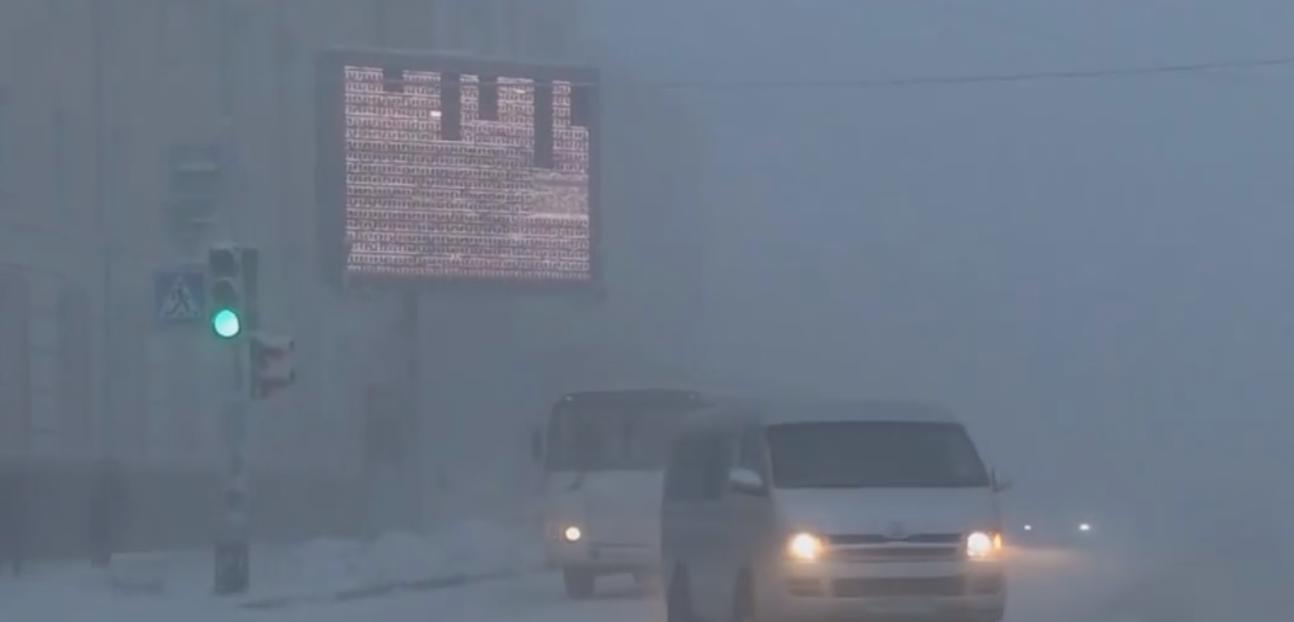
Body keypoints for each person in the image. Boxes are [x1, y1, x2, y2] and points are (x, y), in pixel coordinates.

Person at [89, 458, 126, 567]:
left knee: (104, 537)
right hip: (101, 520)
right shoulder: (99, 495)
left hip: (105, 520)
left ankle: (103, 560)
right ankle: (101, 560)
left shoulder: (112, 487)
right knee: (101, 537)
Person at [0, 458, 26, 577]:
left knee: (15, 546)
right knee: (13, 546)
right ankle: (15, 566)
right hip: (11, 527)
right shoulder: (12, 503)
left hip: (13, 527)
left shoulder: (12, 504)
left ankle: (16, 567)